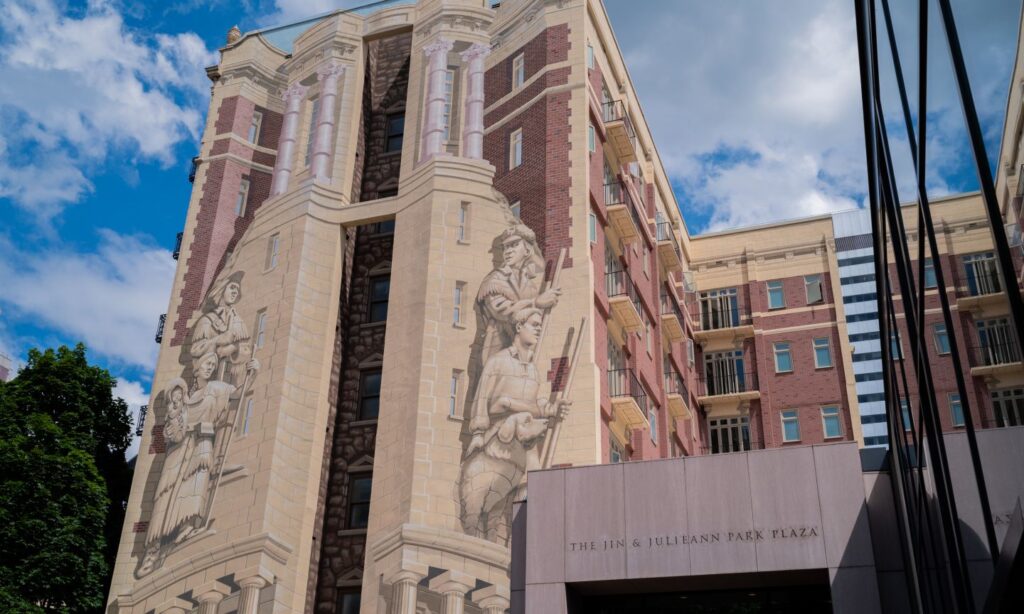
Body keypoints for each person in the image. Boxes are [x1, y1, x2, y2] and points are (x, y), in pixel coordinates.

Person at [136, 352, 258, 577]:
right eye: (206, 364)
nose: (210, 367)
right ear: (197, 367)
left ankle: (187, 527)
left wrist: (252, 373)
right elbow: (171, 433)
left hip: (202, 445)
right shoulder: (181, 398)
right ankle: (152, 550)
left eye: (213, 364)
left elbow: (238, 395)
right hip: (178, 451)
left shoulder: (217, 389)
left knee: (197, 485)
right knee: (166, 494)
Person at [459, 308, 570, 543]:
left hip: (525, 438)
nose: (538, 328)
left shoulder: (532, 370)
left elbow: (532, 403)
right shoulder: (497, 362)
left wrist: (551, 409)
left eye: (540, 324)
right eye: (533, 324)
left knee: (533, 482)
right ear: (519, 327)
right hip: (501, 436)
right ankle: (487, 540)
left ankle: (520, 540)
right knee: (486, 498)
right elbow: (482, 399)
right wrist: (478, 433)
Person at [475, 225, 560, 364]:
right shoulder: (495, 279)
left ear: (527, 249)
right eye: (505, 247)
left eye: (514, 245)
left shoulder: (530, 284)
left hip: (524, 354)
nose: (508, 251)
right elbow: (503, 311)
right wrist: (536, 303)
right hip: (499, 352)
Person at [190, 271, 251, 385]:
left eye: (237, 290)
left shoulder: (239, 322)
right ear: (223, 289)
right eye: (232, 288)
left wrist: (234, 348)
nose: (235, 293)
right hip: (208, 382)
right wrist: (217, 340)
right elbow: (196, 350)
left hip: (230, 381)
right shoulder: (207, 320)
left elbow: (246, 351)